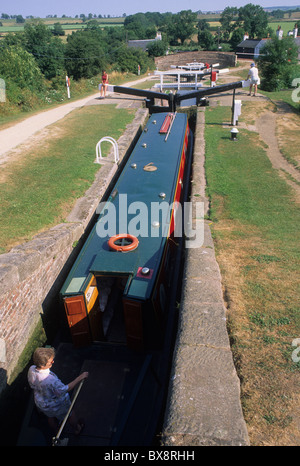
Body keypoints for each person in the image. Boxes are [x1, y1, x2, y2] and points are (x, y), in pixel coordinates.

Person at [28, 347, 88, 435]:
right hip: (57, 404)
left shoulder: (31, 369)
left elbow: (32, 385)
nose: (53, 362)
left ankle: (56, 430)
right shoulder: (50, 380)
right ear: (42, 365)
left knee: (50, 416)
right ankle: (77, 429)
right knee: (70, 414)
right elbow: (65, 389)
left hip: (42, 403)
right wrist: (80, 377)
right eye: (50, 361)